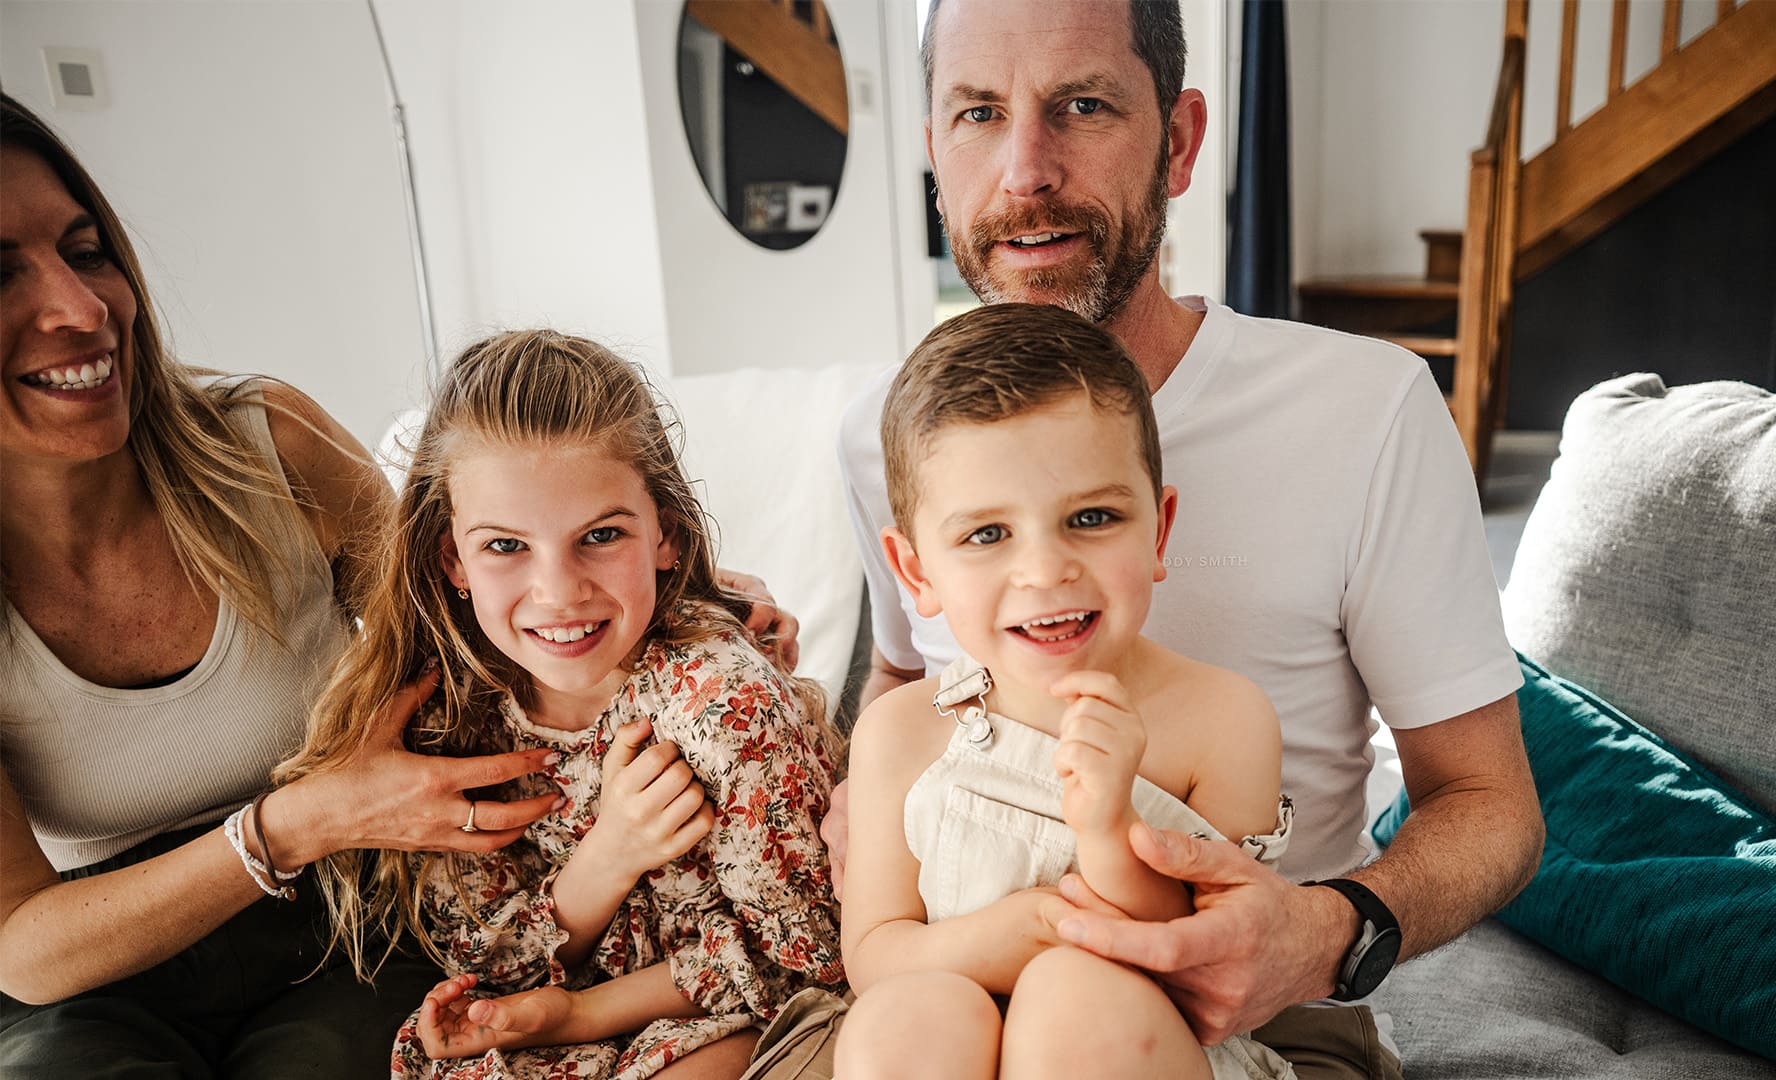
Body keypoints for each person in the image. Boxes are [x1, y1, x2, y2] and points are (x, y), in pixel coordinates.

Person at [0, 93, 798, 1076]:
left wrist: (691, 602)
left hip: (346, 923)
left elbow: (470, 595)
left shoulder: (267, 444)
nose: (81, 310)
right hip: (101, 966)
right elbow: (22, 952)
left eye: (86, 252)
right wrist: (306, 817)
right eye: (0, 273)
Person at [816, 1, 1544, 1075]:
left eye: (1082, 105)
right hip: (950, 989)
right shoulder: (883, 432)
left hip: (1249, 1013)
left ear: (1182, 140)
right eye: (978, 114)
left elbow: (1492, 804)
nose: (1025, 170)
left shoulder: (1368, 409)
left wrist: (1325, 933)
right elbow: (900, 673)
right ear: (934, 153)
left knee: (1078, 1008)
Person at [276, 329, 845, 1080]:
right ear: (452, 559)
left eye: (601, 535)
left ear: (666, 536)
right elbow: (485, 968)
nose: (559, 592)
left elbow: (806, 957)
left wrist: (580, 1012)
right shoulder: (442, 721)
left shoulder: (722, 706)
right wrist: (610, 856)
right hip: (538, 1038)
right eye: (506, 546)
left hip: (720, 1020)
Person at [834, 303, 1299, 1080]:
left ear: (1158, 531)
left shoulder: (1222, 720)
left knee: (1072, 995)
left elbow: (1211, 966)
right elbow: (876, 953)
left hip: (1155, 1047)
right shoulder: (901, 731)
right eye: (987, 534)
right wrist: (1011, 934)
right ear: (916, 572)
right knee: (900, 1019)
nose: (1046, 570)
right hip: (956, 1041)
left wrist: (1110, 826)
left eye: (1092, 517)